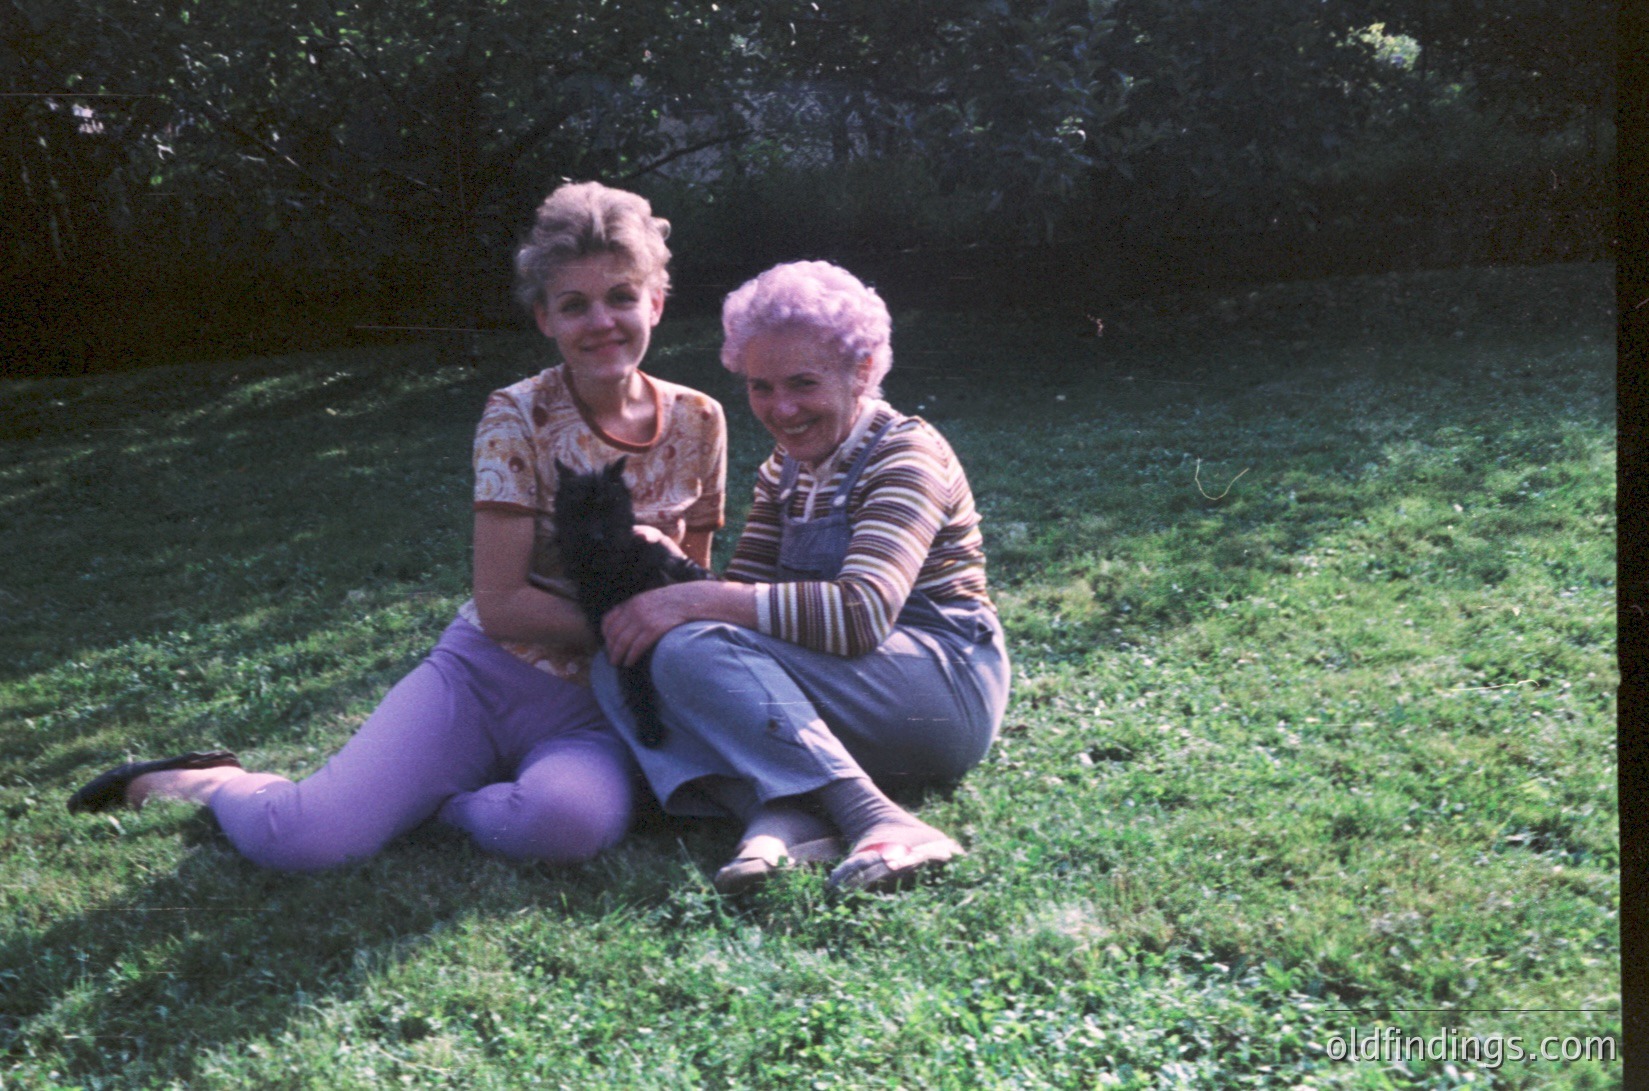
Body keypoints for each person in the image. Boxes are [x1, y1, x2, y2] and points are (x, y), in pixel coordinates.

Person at [66, 182, 727, 872]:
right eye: (573, 304)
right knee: (308, 840)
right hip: (485, 679)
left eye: (621, 296)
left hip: (596, 709)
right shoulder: (516, 414)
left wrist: (675, 629)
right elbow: (504, 604)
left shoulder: (699, 419)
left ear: (656, 301)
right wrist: (640, 623)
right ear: (544, 318)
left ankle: (446, 804)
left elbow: (689, 579)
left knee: (565, 826)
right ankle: (213, 781)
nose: (602, 321)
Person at [590, 260, 1010, 894]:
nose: (781, 408)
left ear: (862, 371)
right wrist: (672, 568)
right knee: (623, 655)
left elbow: (860, 614)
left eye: (803, 383)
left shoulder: (905, 454)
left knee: (684, 641)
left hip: (943, 684)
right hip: (853, 683)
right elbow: (739, 604)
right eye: (761, 386)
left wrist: (690, 598)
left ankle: (879, 819)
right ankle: (784, 815)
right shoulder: (784, 468)